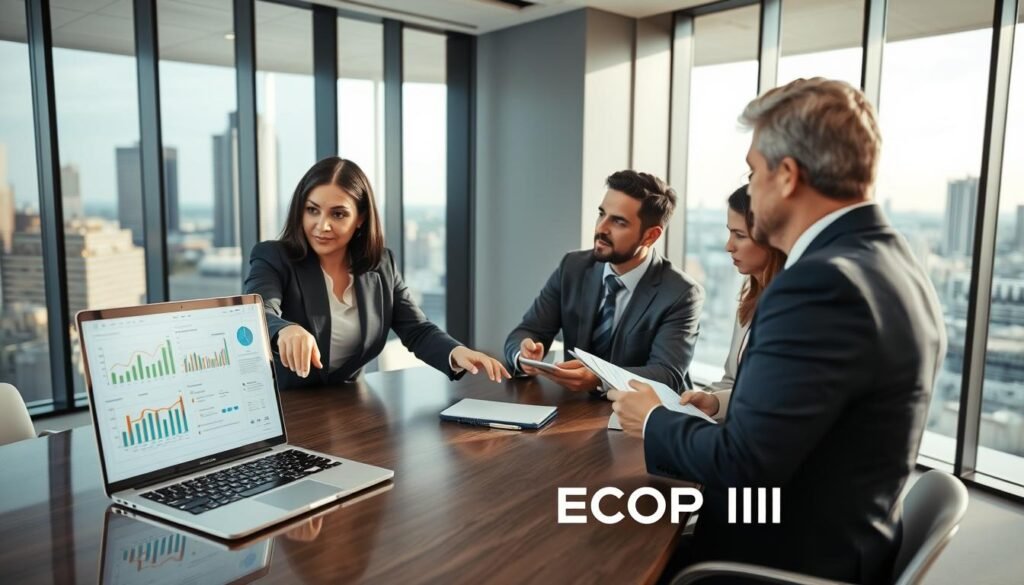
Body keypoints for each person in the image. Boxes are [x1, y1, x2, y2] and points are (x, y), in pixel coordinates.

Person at [608, 78, 946, 584]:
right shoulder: (893, 260)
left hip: (774, 561)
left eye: (754, 172)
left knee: (601, 544)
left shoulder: (819, 284)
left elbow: (742, 468)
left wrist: (655, 419)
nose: (751, 189)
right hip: (833, 540)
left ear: (787, 176)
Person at [244, 157, 509, 390]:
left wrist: (457, 352)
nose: (322, 225)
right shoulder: (273, 257)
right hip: (283, 408)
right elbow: (258, 312)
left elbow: (416, 329)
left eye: (338, 214)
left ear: (360, 218)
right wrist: (286, 330)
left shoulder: (381, 264)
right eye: (312, 210)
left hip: (348, 407)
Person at [504, 170, 704, 393]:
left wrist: (600, 377)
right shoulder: (573, 267)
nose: (601, 228)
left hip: (647, 418)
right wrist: (524, 355)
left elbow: (667, 374)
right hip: (578, 410)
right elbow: (526, 331)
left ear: (650, 236)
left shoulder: (681, 293)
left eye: (618, 222)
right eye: (602, 214)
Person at [680, 185, 785, 421]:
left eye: (740, 235)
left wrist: (715, 404)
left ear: (772, 240)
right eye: (730, 233)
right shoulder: (750, 299)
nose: (729, 246)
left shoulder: (790, 307)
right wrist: (708, 400)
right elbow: (731, 380)